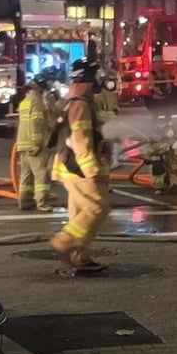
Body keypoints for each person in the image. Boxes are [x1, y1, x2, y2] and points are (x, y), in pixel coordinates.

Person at [48, 58, 112, 273]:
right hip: (79, 168)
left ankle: (80, 256)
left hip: (69, 168)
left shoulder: (73, 101)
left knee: (79, 214)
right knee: (97, 208)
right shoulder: (81, 105)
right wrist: (91, 169)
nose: (98, 82)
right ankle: (64, 242)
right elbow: (80, 138)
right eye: (96, 78)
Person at [15, 75, 54, 212]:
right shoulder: (37, 101)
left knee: (26, 174)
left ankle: (25, 201)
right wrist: (37, 143)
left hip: (23, 143)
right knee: (41, 174)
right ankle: (42, 202)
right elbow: (36, 124)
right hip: (34, 144)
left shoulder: (25, 101)